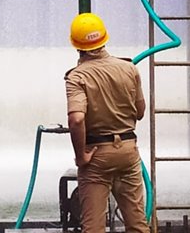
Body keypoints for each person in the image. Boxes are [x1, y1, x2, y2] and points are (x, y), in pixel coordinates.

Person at [64, 13, 149, 233]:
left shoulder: (77, 77)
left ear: (76, 45)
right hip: (128, 151)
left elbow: (77, 119)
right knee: (138, 225)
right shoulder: (129, 68)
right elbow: (140, 112)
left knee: (93, 227)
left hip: (97, 154)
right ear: (104, 38)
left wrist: (81, 156)